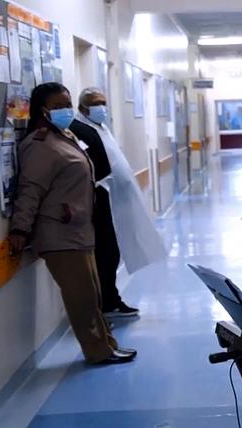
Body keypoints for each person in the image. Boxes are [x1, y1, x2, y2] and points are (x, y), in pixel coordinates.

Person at [8, 82, 136, 364]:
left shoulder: (64, 136)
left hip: (79, 229)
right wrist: (20, 229)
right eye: (58, 106)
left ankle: (107, 345)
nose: (65, 109)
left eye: (67, 104)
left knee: (92, 295)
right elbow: (30, 189)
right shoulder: (40, 144)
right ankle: (97, 351)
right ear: (42, 109)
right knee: (81, 299)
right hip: (59, 234)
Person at [71, 87, 167, 317]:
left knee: (112, 252)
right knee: (106, 253)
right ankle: (107, 303)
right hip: (100, 201)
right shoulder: (79, 130)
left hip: (116, 201)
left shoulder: (100, 128)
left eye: (103, 102)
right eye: (96, 103)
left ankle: (111, 299)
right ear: (83, 107)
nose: (102, 107)